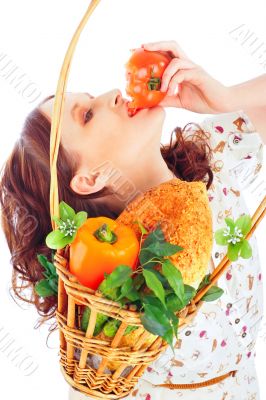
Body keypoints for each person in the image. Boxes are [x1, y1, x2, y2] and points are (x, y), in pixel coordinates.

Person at [0, 40, 265, 400]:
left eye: (90, 97)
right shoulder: (113, 290)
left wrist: (226, 97)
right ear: (90, 179)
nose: (112, 92)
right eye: (88, 115)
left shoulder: (211, 155)